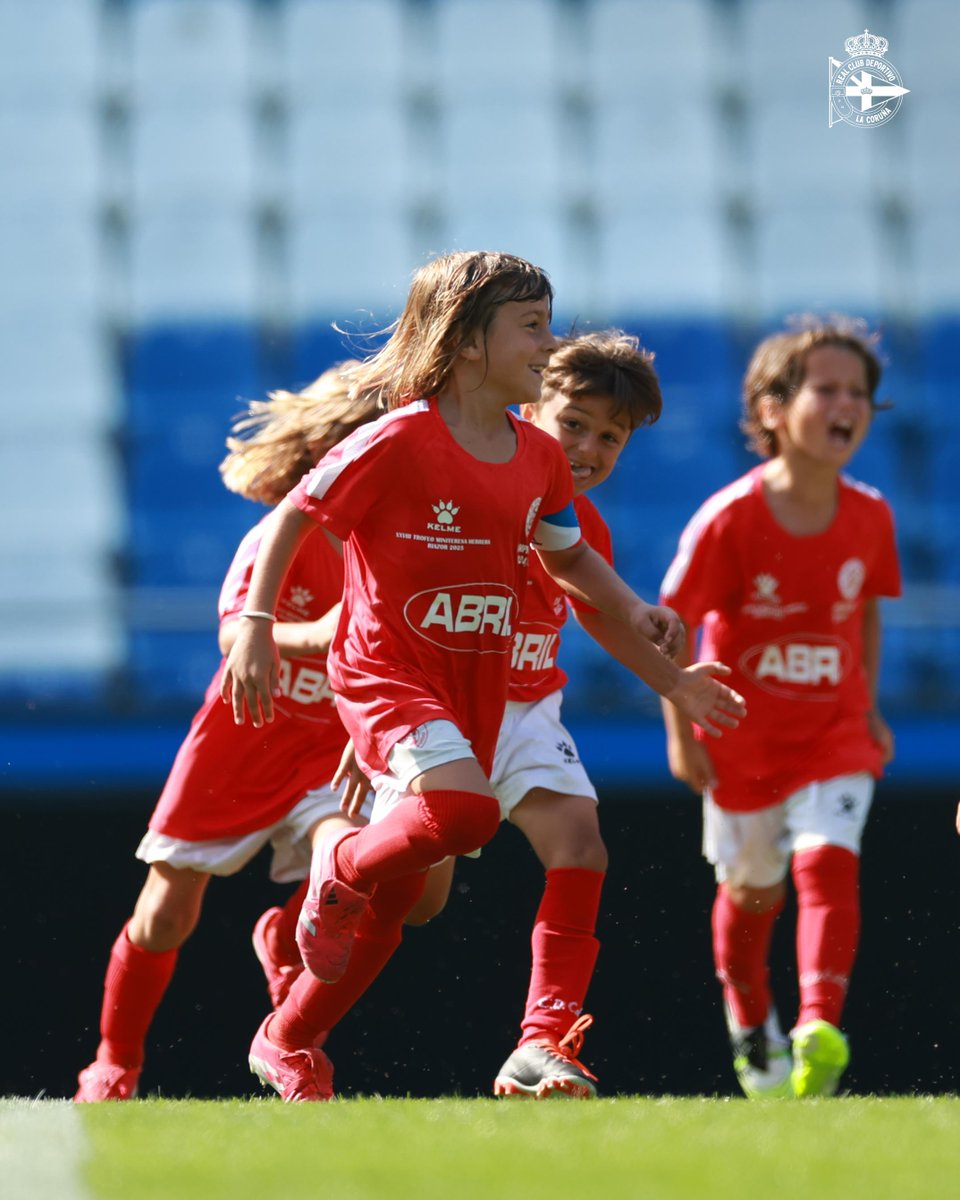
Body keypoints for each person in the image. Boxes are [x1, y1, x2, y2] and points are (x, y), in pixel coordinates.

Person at [224, 250, 747, 1102]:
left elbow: (592, 595)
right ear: (504, 373)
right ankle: (302, 995)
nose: (586, 447)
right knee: (416, 889)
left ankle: (541, 1039)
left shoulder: (551, 497)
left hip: (521, 709)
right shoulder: (418, 445)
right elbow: (316, 539)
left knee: (575, 846)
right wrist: (260, 630)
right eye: (573, 422)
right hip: (418, 693)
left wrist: (675, 681)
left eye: (610, 437)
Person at [73, 363, 382, 1102]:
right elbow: (241, 637)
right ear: (328, 456)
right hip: (240, 745)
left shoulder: (392, 548)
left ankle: (290, 970)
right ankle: (114, 1063)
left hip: (322, 750)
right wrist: (330, 636)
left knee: (349, 863)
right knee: (166, 913)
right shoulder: (282, 534)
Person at [659, 318, 901, 1100]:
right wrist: (681, 730)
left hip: (833, 734)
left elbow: (864, 608)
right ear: (772, 409)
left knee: (830, 863)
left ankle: (818, 1024)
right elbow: (669, 627)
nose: (847, 405)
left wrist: (866, 706)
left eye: (859, 393)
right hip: (741, 741)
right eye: (826, 388)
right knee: (751, 893)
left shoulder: (873, 516)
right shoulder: (730, 518)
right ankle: (749, 1017)